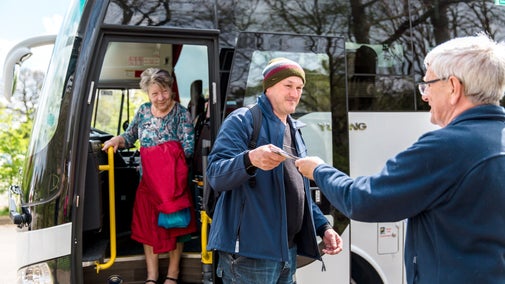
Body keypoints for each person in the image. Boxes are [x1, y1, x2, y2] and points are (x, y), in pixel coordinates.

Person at [295, 33, 505, 284]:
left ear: (453, 87)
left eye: (428, 84)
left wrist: (319, 170)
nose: (425, 95)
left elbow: (363, 200)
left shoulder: (446, 147)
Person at [206, 57, 343, 284]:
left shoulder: (294, 128)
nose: (295, 93)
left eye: (299, 88)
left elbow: (300, 192)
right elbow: (215, 175)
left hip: (286, 253)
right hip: (250, 256)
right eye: (288, 85)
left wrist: (323, 227)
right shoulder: (242, 120)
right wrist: (249, 159)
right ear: (269, 86)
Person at [102, 68, 196, 284]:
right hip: (148, 184)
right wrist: (118, 140)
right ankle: (151, 277)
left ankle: (173, 275)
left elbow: (188, 148)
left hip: (173, 184)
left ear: (171, 89)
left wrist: (159, 155)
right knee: (147, 229)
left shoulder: (181, 113)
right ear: (147, 93)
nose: (161, 97)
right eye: (155, 94)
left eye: (164, 91)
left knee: (176, 227)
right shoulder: (143, 111)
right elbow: (130, 136)